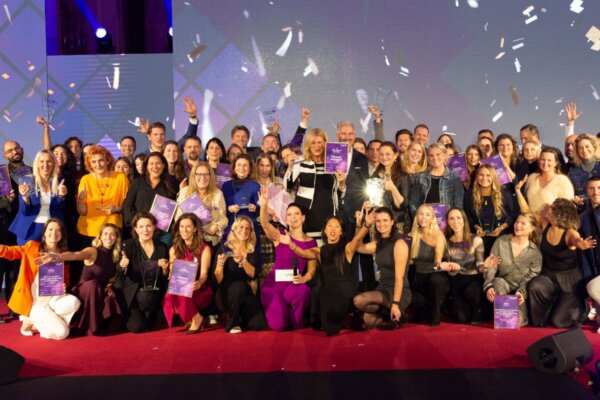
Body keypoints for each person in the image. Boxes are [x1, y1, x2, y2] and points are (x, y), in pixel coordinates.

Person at [284, 213, 369, 336]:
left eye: (337, 226)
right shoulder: (319, 251)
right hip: (328, 292)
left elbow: (356, 239)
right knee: (330, 330)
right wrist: (291, 244)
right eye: (329, 226)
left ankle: (350, 314)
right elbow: (303, 253)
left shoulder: (347, 249)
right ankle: (343, 318)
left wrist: (367, 225)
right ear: (324, 230)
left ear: (341, 232)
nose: (333, 229)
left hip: (345, 291)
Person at [0, 219, 80, 339]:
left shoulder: (62, 254)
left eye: (58, 230)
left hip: (53, 300)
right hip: (36, 303)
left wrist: (63, 286)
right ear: (44, 233)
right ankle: (33, 319)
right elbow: (12, 252)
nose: (54, 233)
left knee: (74, 302)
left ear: (62, 234)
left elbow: (65, 279)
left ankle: (37, 321)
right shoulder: (32, 247)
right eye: (50, 229)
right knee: (62, 333)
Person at [39, 223, 122, 335]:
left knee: (110, 300)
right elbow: (76, 255)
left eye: (112, 234)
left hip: (99, 292)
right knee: (93, 284)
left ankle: (99, 323)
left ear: (116, 237)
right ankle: (89, 326)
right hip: (83, 292)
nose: (109, 237)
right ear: (100, 236)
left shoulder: (116, 256)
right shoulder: (93, 251)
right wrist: (57, 256)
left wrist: (109, 287)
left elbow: (112, 277)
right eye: (105, 234)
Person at [528, 198, 593, 328]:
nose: (548, 207)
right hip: (549, 276)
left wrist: (581, 244)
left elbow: (576, 240)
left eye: (552, 207)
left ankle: (583, 308)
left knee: (558, 322)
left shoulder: (569, 232)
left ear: (559, 212)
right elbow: (527, 213)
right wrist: (518, 191)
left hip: (569, 281)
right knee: (535, 285)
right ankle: (540, 320)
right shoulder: (545, 224)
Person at [258, 188, 317, 331]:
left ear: (303, 217)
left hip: (295, 287)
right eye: (289, 214)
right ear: (285, 219)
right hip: (274, 287)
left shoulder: (311, 242)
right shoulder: (280, 235)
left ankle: (295, 315)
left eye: (297, 214)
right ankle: (283, 313)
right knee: (279, 326)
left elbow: (311, 271)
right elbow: (265, 225)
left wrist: (304, 279)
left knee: (302, 295)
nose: (293, 217)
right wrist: (263, 206)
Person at [353, 207, 411, 329]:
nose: (381, 224)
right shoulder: (378, 243)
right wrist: (361, 226)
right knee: (366, 320)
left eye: (385, 220)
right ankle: (392, 315)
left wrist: (395, 303)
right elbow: (357, 247)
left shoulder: (399, 243)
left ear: (392, 222)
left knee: (359, 300)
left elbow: (399, 278)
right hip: (382, 288)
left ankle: (396, 310)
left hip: (398, 292)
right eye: (378, 221)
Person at [284, 128, 346, 239]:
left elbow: (338, 195)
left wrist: (342, 183)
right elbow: (288, 186)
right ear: (308, 145)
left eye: (319, 142)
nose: (317, 146)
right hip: (307, 215)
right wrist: (290, 167)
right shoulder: (301, 162)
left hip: (328, 215)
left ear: (325, 143)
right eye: (313, 143)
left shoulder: (334, 163)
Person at [113, 212, 169, 333]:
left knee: (148, 298)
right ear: (135, 229)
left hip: (154, 292)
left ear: (154, 227)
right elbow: (119, 272)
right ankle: (142, 316)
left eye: (149, 226)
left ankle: (153, 313)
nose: (145, 230)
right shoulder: (128, 245)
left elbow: (164, 278)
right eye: (141, 226)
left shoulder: (162, 247)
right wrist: (122, 265)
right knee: (137, 327)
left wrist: (165, 269)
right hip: (133, 292)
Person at [483, 213, 542, 327]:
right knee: (498, 282)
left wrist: (522, 291)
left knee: (516, 322)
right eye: (517, 222)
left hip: (519, 292)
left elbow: (532, 276)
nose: (518, 225)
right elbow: (492, 266)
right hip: (502, 286)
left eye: (523, 223)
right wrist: (488, 285)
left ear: (532, 228)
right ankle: (502, 314)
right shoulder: (501, 241)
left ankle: (507, 316)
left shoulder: (535, 252)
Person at [214, 215, 266, 333]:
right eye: (241, 227)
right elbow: (217, 279)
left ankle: (239, 317)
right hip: (227, 295)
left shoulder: (252, 250)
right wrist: (220, 265)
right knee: (239, 286)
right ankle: (232, 323)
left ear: (251, 232)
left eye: (247, 228)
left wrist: (243, 261)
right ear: (234, 229)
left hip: (246, 295)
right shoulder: (225, 248)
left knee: (259, 324)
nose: (244, 231)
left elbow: (253, 274)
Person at [162, 214, 213, 333]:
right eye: (181, 226)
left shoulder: (204, 248)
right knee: (169, 296)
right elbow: (173, 273)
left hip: (199, 289)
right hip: (181, 286)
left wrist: (199, 283)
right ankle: (190, 318)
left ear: (195, 229)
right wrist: (169, 271)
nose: (184, 230)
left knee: (183, 292)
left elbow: (204, 273)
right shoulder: (174, 249)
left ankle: (197, 318)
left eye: (188, 226)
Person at [9, 150, 67, 245]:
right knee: (28, 255)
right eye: (42, 161)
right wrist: (25, 197)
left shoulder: (59, 181)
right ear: (37, 163)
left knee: (51, 255)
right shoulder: (27, 180)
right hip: (30, 228)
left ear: (54, 163)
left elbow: (58, 207)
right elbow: (25, 211)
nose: (45, 165)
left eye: (49, 161)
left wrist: (61, 195)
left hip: (51, 229)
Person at [76, 145, 130, 245]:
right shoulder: (85, 179)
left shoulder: (120, 178)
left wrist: (116, 209)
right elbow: (82, 212)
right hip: (88, 232)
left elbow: (129, 206)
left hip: (112, 233)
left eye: (101, 160)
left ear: (108, 161)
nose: (98, 165)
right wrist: (80, 200)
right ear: (89, 164)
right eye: (93, 162)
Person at [122, 152, 178, 240]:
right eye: (151, 163)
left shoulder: (171, 184)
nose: (155, 166)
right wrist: (137, 223)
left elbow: (176, 208)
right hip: (141, 231)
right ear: (147, 166)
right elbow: (127, 206)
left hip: (163, 234)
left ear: (163, 165)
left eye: (158, 163)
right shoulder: (138, 182)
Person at [443, 208, 486, 324]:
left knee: (472, 292)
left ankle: (477, 311)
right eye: (451, 218)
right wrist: (452, 269)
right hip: (457, 280)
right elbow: (449, 271)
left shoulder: (476, 239)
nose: (455, 222)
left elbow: (480, 266)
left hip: (473, 279)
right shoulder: (447, 242)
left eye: (458, 218)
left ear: (464, 220)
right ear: (448, 221)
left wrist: (486, 266)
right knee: (460, 319)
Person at [407, 204, 446, 326]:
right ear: (417, 217)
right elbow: (410, 261)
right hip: (419, 277)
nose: (424, 217)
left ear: (432, 218)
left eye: (427, 215)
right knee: (418, 311)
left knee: (435, 280)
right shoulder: (410, 236)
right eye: (421, 214)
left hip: (435, 275)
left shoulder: (438, 235)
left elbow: (438, 256)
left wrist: (438, 263)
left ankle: (436, 314)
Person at [464, 164, 515, 256]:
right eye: (481, 175)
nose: (484, 178)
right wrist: (476, 227)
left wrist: (501, 228)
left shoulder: (505, 194)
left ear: (493, 177)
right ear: (476, 176)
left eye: (488, 175)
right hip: (478, 240)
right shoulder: (469, 195)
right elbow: (467, 216)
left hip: (500, 240)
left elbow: (512, 216)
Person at [175, 162, 228, 249]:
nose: (203, 177)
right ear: (193, 176)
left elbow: (223, 219)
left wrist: (216, 227)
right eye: (199, 174)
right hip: (188, 239)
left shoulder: (218, 194)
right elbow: (178, 218)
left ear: (211, 176)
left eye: (206, 174)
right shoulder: (184, 192)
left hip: (209, 239)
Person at [221, 153, 261, 260]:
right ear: (234, 168)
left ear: (250, 168)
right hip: (232, 226)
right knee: (232, 258)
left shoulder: (255, 186)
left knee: (251, 258)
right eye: (238, 165)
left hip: (250, 227)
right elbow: (221, 208)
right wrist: (229, 209)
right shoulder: (226, 186)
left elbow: (260, 208)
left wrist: (255, 208)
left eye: (245, 165)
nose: (242, 168)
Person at [409, 143, 463, 218]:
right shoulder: (420, 177)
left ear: (445, 155)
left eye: (438, 154)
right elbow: (413, 203)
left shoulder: (454, 177)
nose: (435, 158)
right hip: (424, 222)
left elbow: (458, 205)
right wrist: (419, 219)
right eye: (431, 155)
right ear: (428, 157)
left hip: (447, 222)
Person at [519, 148, 574, 218]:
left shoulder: (563, 181)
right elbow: (525, 202)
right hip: (531, 222)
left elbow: (567, 209)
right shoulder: (532, 178)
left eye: (549, 160)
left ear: (556, 163)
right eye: (543, 159)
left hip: (551, 223)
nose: (545, 163)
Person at [371, 141, 409, 232]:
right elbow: (372, 199)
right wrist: (368, 204)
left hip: (396, 224)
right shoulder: (375, 175)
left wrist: (393, 188)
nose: (384, 157)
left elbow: (403, 206)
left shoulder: (403, 176)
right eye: (381, 154)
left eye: (388, 154)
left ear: (395, 155)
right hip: (377, 223)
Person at [568, 133, 600, 205]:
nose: (584, 150)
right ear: (577, 151)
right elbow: (572, 194)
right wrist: (575, 200)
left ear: (594, 148)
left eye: (587, 146)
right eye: (580, 148)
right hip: (582, 210)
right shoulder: (573, 172)